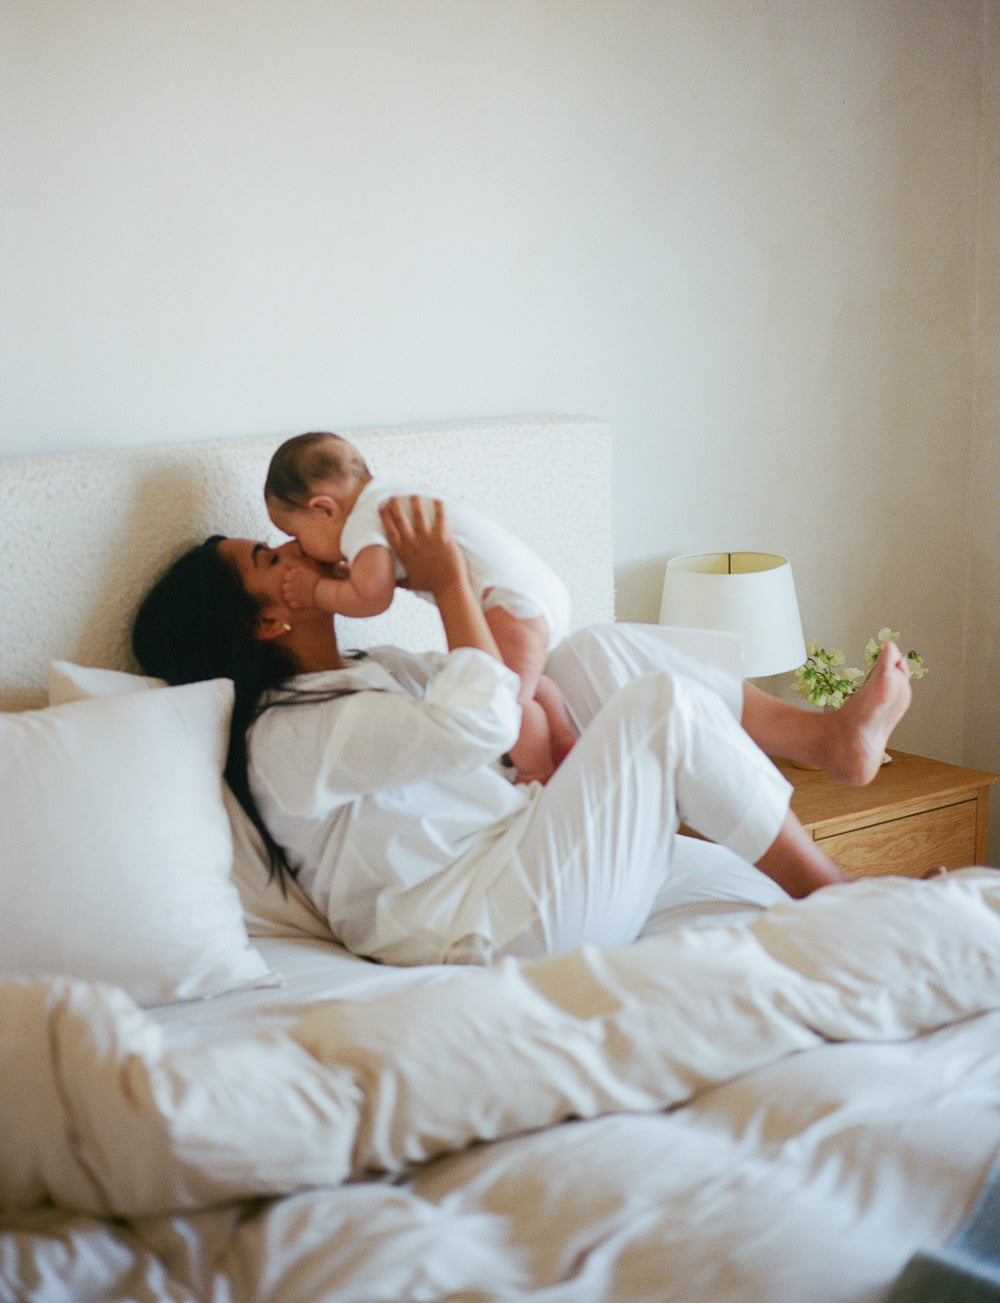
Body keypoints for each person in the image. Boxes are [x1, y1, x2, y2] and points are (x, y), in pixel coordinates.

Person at [131, 496, 913, 970]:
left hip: (520, 850)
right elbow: (483, 713)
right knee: (660, 707)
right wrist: (445, 586)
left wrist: (426, 571)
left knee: (591, 652)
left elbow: (507, 683)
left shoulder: (372, 665)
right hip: (498, 927)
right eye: (272, 557)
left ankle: (827, 741)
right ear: (269, 618)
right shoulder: (288, 737)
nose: (300, 547)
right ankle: (827, 889)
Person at [263, 431, 576, 785]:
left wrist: (318, 590)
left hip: (508, 602)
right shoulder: (386, 495)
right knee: (526, 680)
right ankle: (563, 739)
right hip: (535, 592)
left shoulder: (360, 524)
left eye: (298, 534)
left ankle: (536, 772)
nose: (297, 547)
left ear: (324, 508)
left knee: (507, 699)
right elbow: (382, 577)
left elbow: (372, 598)